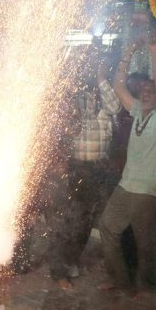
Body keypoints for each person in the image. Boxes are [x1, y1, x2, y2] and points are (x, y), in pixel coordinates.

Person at [98, 30, 156, 293]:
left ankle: (144, 284)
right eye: (142, 89)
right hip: (126, 185)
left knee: (145, 243)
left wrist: (154, 52)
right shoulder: (137, 112)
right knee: (108, 228)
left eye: (150, 89)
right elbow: (119, 87)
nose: (145, 92)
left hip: (150, 191)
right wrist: (128, 53)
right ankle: (121, 281)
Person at [57, 48, 121, 289]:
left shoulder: (107, 102)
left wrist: (102, 78)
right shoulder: (79, 96)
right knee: (68, 220)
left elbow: (115, 107)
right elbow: (65, 121)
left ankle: (71, 262)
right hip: (76, 167)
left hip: (97, 170)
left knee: (85, 221)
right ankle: (59, 271)